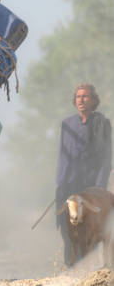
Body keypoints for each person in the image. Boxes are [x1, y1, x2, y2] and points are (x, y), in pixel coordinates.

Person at [56, 83, 112, 265]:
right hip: (70, 185)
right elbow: (62, 156)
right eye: (78, 97)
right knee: (68, 227)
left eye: (85, 96)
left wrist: (99, 187)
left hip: (90, 186)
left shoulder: (101, 123)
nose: (81, 99)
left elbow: (105, 157)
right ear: (74, 101)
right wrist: (60, 184)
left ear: (93, 100)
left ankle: (89, 268)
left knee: (92, 227)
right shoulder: (67, 124)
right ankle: (72, 267)